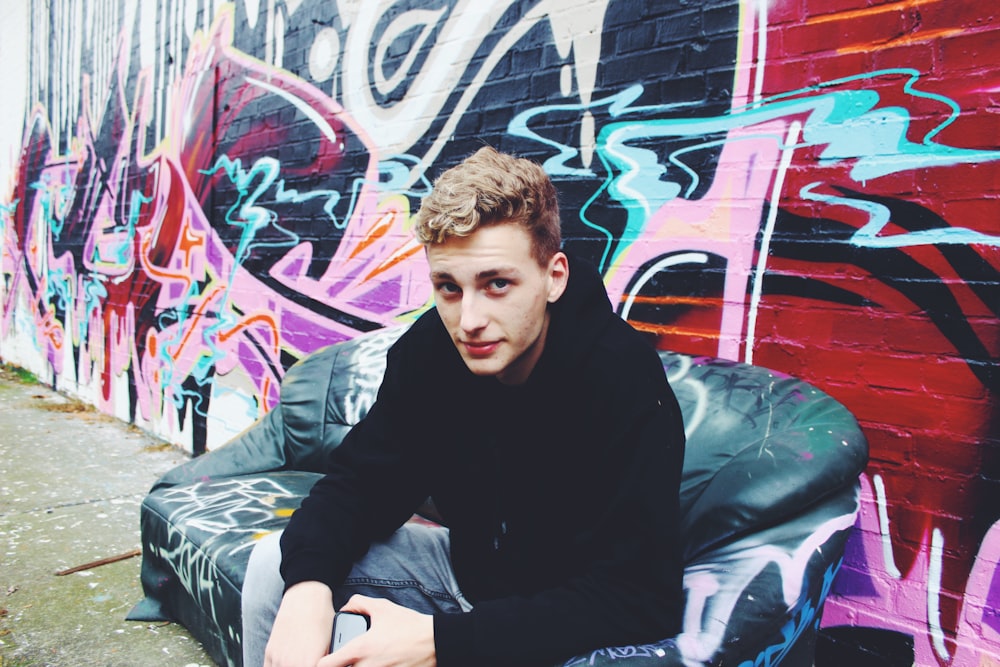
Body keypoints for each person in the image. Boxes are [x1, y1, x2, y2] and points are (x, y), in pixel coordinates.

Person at [242, 146, 686, 667]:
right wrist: (308, 589)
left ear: (554, 276)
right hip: (466, 575)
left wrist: (442, 642)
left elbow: (638, 598)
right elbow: (361, 484)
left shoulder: (623, 380)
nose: (468, 319)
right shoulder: (432, 352)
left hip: (565, 620)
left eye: (497, 284)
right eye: (448, 288)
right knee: (279, 564)